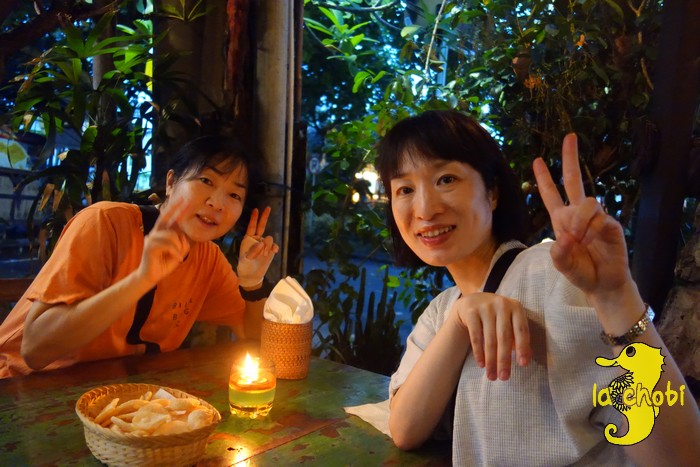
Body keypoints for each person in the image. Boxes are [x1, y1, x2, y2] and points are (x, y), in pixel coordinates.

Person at [376, 110, 700, 466]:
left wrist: (615, 297)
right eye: (405, 189)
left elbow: (679, 457)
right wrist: (458, 322)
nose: (425, 209)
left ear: (492, 192)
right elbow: (404, 428)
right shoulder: (443, 309)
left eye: (446, 179)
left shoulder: (551, 277)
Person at [0, 135, 279, 378]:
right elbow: (34, 350)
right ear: (171, 182)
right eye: (206, 180)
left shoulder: (208, 259)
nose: (217, 203)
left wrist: (252, 283)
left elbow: (253, 335)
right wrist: (141, 279)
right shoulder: (105, 224)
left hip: (116, 395)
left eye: (234, 195)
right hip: (21, 387)